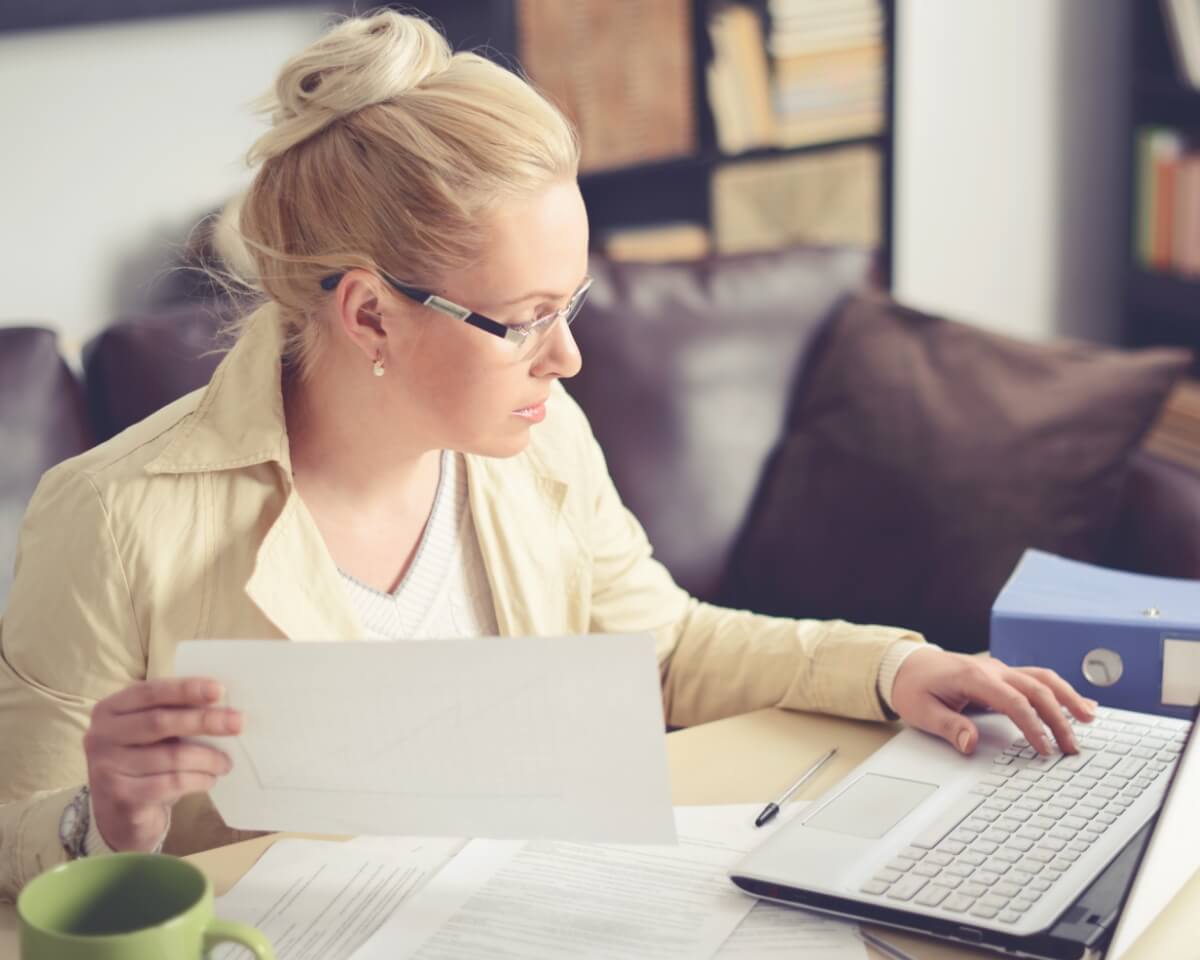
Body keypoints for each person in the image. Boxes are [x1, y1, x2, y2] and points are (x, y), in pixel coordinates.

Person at [0, 10, 1095, 900]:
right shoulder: (112, 519)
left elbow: (660, 653)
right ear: (371, 315)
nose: (566, 357)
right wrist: (105, 819)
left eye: (568, 304)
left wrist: (895, 667)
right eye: (524, 317)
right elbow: (15, 847)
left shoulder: (535, 440)